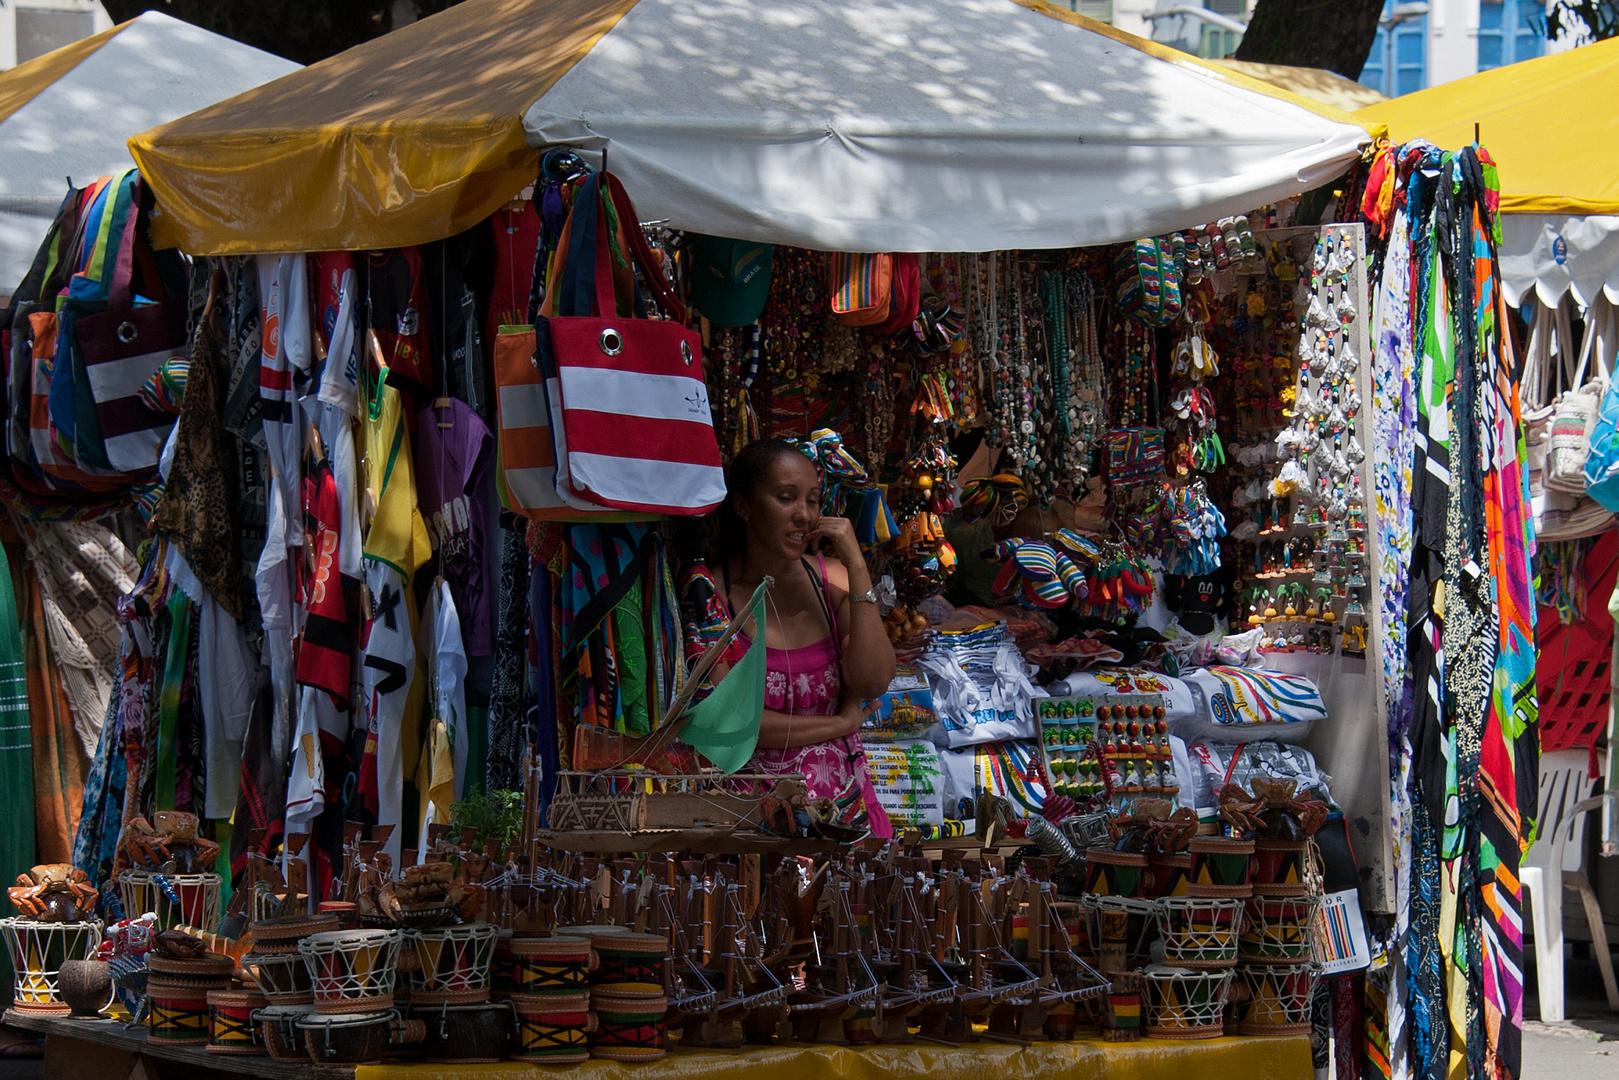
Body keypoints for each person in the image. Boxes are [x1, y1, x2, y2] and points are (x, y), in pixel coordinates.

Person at [688, 438, 897, 836]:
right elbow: (736, 726)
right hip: (752, 827)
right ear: (744, 505)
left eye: (813, 500)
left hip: (847, 818)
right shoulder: (712, 596)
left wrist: (856, 565)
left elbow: (873, 679)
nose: (803, 515)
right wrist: (842, 723)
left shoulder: (832, 579)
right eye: (787, 498)